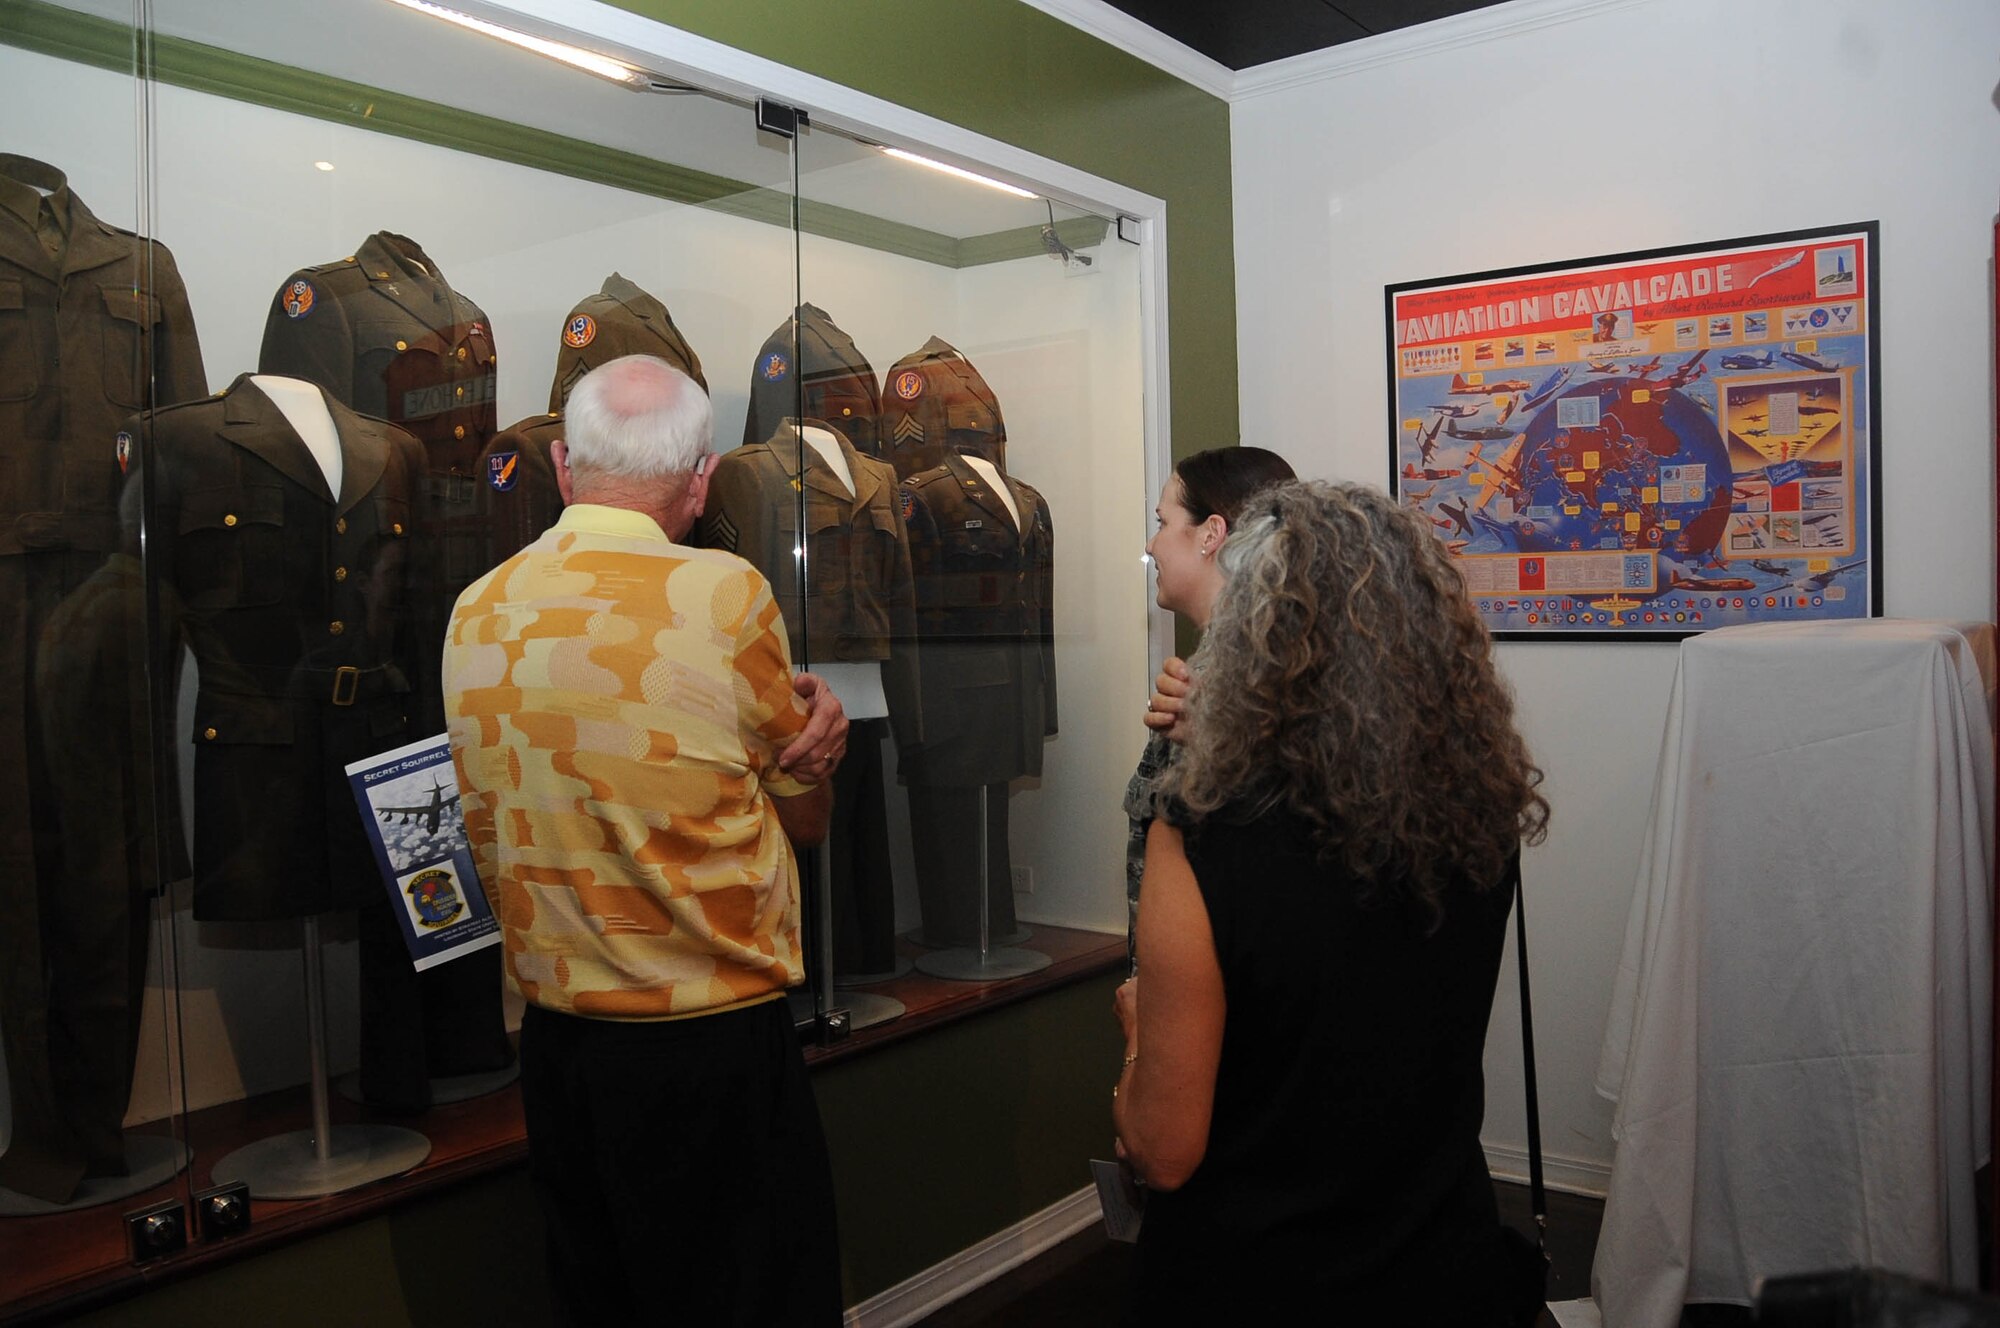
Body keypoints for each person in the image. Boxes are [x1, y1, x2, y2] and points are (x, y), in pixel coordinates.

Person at [442, 354, 848, 1326]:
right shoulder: (727, 595)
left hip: (557, 1043)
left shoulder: (474, 609)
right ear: (700, 476)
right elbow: (803, 815)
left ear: (561, 464)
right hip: (708, 1041)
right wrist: (817, 759)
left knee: (600, 1295)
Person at [1112, 480, 1550, 1323]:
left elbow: (1162, 1154)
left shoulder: (1202, 836)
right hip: (1440, 1265)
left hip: (1258, 1281)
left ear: (1251, 639)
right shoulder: (1478, 813)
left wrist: (1136, 1040)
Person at [1126, 446, 1295, 961]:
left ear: (1210, 534)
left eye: (1163, 522)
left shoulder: (1213, 689)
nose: (1153, 545)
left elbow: (1204, 872)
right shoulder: (1289, 657)